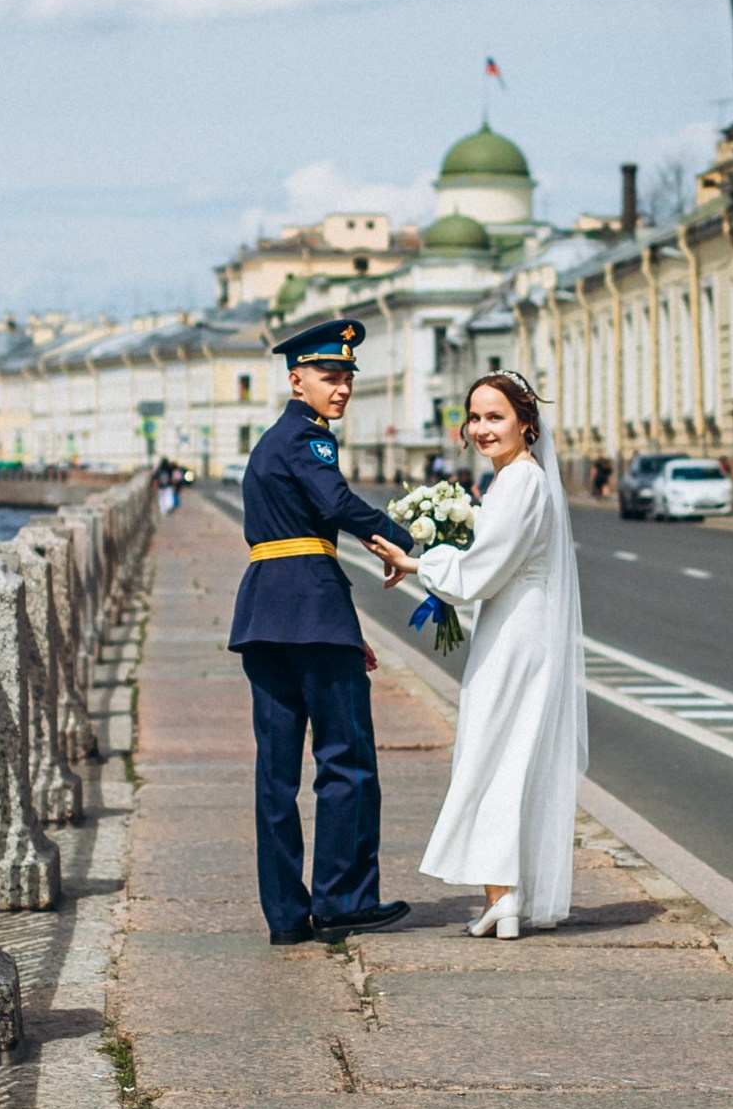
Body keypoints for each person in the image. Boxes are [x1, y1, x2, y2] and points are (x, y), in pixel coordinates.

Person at [366, 372, 587, 940]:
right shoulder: (515, 479)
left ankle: (504, 895)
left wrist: (419, 562)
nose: (483, 428)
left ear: (526, 423)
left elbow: (484, 569)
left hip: (516, 629)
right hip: (516, 622)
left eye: (496, 416)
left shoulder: (520, 480)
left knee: (494, 753)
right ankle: (501, 895)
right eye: (475, 417)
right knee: (501, 752)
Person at [230, 318, 418, 946]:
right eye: (329, 376)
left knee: (276, 776)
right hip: (313, 612)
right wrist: (404, 539)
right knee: (347, 759)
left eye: (346, 379)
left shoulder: (269, 442)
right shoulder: (308, 438)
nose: (341, 389)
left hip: (265, 616)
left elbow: (302, 536)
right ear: (296, 381)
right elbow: (334, 505)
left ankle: (286, 916)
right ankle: (343, 900)